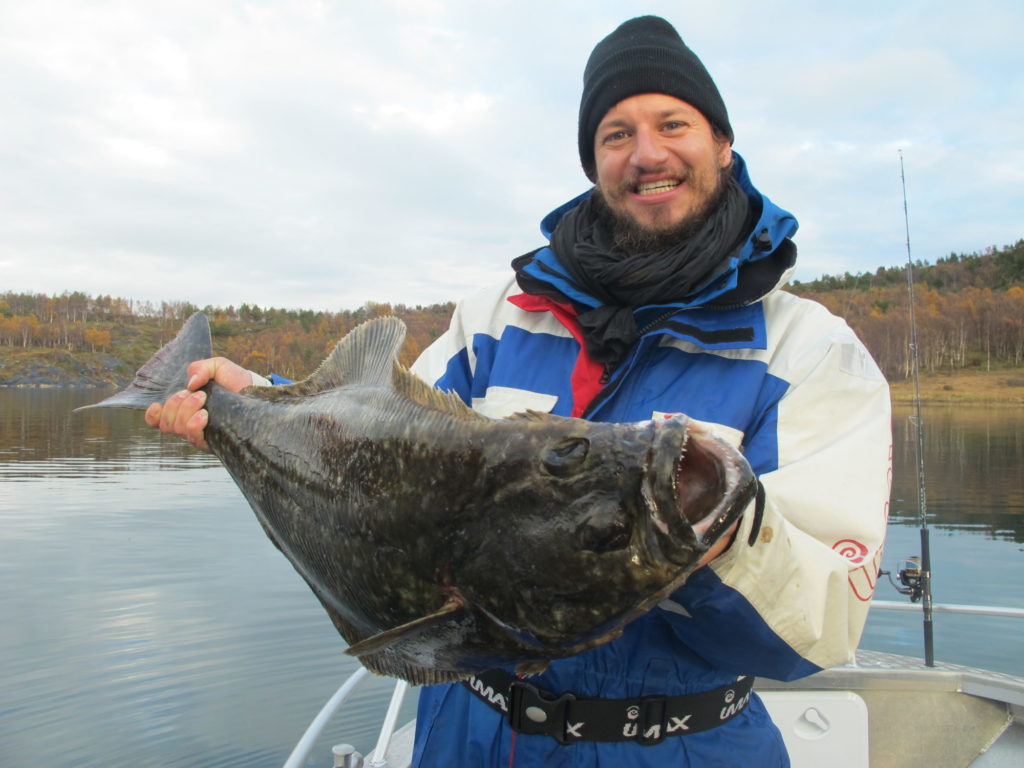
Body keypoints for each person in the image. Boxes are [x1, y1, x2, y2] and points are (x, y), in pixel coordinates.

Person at [147, 15, 892, 767]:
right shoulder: (497, 317)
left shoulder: (810, 353)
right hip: (468, 737)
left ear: (723, 145)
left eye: (674, 123)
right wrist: (253, 403)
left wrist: (722, 538)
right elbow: (378, 452)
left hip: (684, 745)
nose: (647, 153)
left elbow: (819, 630)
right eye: (616, 133)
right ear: (593, 161)